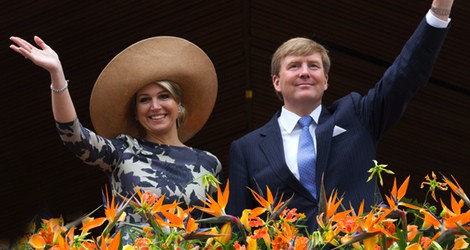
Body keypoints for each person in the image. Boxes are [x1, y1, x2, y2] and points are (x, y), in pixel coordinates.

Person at [226, 0, 455, 233]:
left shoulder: (356, 116)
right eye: (294, 66)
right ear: (276, 82)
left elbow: (404, 76)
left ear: (325, 80)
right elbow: (238, 230)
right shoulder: (247, 148)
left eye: (313, 66)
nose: (305, 72)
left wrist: (440, 9)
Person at [9, 35, 222, 240]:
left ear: (179, 104)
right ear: (136, 113)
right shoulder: (123, 151)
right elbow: (74, 135)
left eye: (164, 96)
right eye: (144, 100)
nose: (155, 106)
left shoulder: (208, 163)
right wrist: (56, 73)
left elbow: (219, 231)